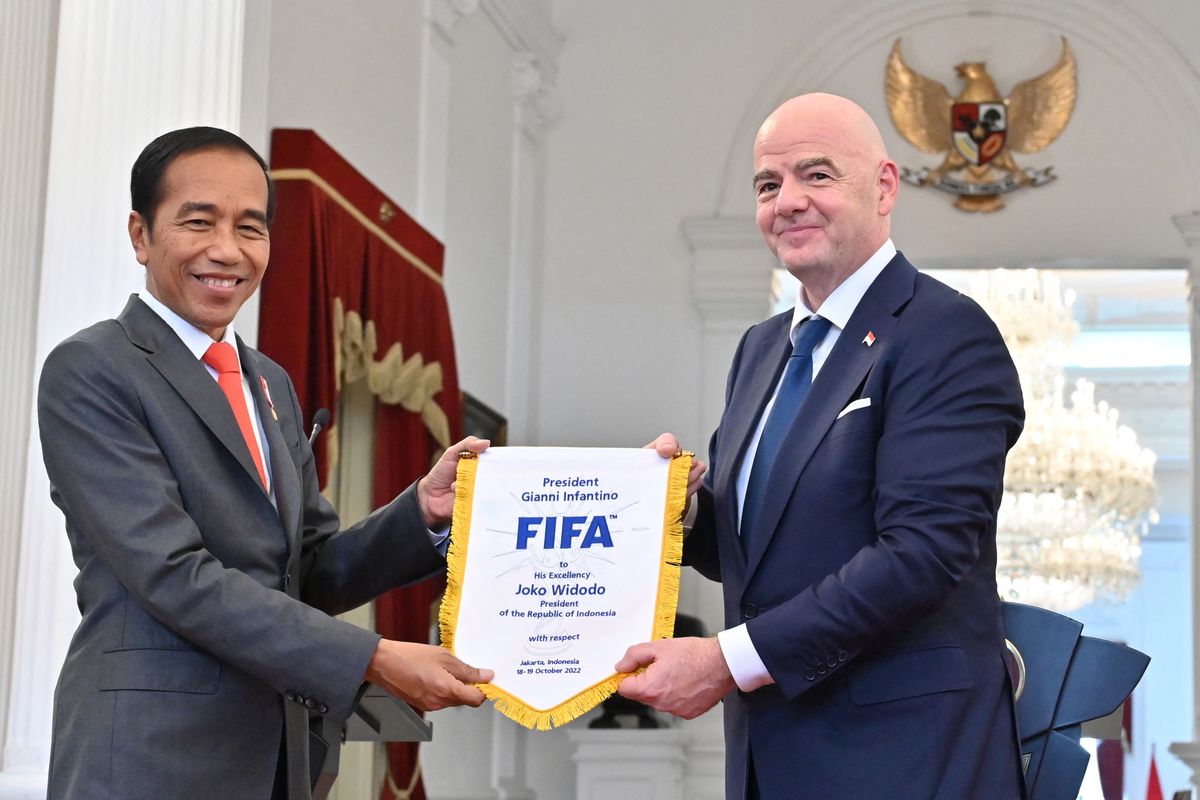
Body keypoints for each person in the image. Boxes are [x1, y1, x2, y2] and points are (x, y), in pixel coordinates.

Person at [38, 126, 492, 800]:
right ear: (141, 235)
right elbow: (175, 575)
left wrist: (420, 511)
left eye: (251, 228)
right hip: (148, 760)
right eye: (199, 222)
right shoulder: (93, 370)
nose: (228, 250)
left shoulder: (268, 384)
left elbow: (306, 571)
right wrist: (372, 657)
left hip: (280, 759)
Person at [619, 94, 1027, 799]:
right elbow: (761, 552)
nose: (789, 202)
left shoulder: (944, 333)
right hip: (771, 760)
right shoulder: (761, 350)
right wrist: (682, 512)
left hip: (907, 763)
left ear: (885, 186)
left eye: (818, 175)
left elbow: (922, 554)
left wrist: (727, 661)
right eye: (768, 185)